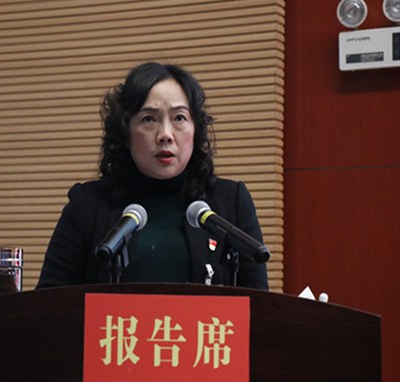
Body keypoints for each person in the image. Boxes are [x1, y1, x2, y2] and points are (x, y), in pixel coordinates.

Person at [36, 62, 268, 290]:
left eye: (179, 118)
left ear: (195, 129)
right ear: (126, 132)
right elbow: (49, 304)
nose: (165, 135)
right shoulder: (87, 205)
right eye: (149, 119)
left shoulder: (230, 202)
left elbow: (259, 305)